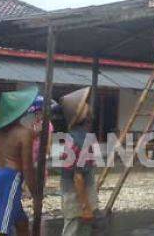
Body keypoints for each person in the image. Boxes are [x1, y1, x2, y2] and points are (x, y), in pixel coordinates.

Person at [0, 86, 40, 236]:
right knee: (1, 228)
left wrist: (35, 134)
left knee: (22, 223)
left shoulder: (2, 131)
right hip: (11, 178)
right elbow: (27, 167)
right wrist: (36, 194)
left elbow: (14, 140)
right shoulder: (24, 133)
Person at [59, 87, 99, 236]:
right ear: (80, 113)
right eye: (85, 105)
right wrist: (85, 206)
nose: (88, 106)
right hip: (78, 198)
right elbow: (78, 177)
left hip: (75, 194)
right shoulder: (80, 139)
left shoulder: (76, 135)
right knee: (74, 230)